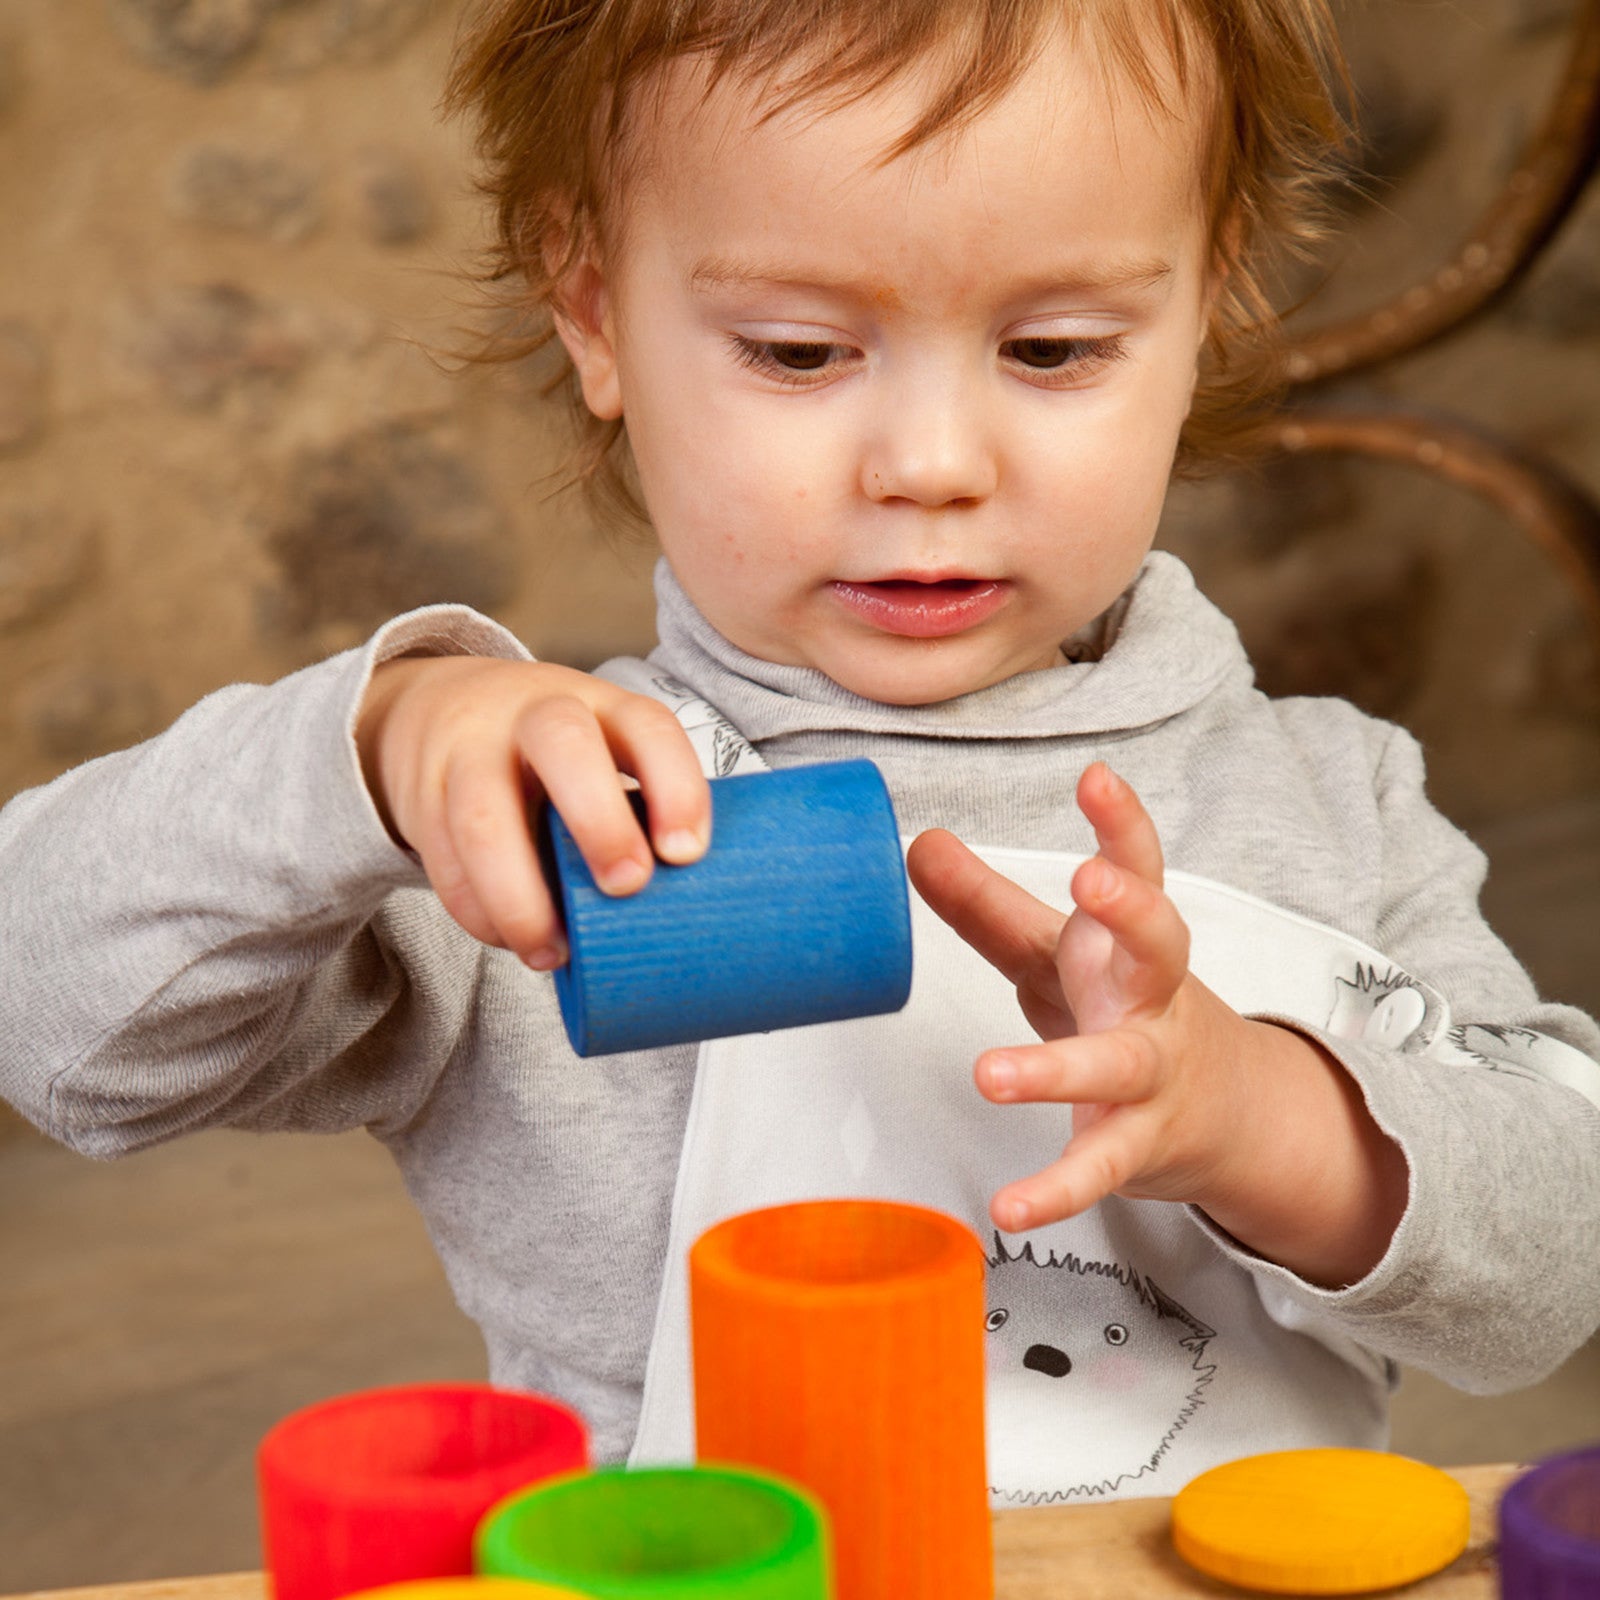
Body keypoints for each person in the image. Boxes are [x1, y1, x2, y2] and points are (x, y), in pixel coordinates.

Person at [3, 0, 1598, 1505]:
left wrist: (1271, 1120)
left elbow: (1557, 1266)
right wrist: (368, 748)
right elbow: (50, 1026)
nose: (930, 464)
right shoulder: (523, 827)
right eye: (796, 351)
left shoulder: (1332, 801)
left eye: (1052, 350)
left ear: (1210, 304)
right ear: (594, 312)